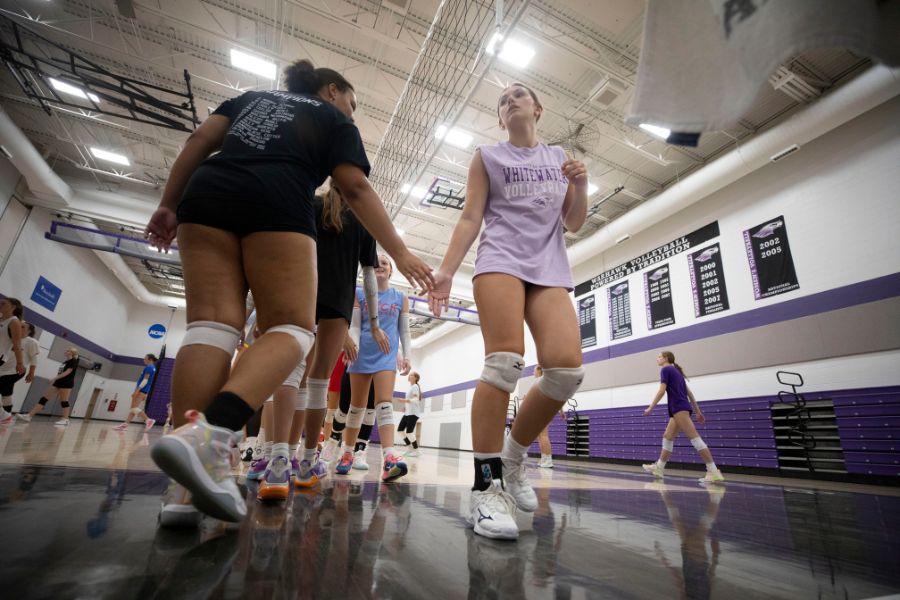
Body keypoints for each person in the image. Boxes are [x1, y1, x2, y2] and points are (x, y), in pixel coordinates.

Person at [144, 58, 433, 524]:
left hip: (207, 191)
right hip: (276, 198)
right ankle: (210, 435)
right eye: (353, 104)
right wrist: (399, 253)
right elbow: (355, 186)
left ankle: (182, 491)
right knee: (294, 330)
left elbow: (199, 141)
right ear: (333, 91)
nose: (352, 114)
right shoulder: (332, 119)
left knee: (211, 326)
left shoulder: (247, 99)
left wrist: (167, 203)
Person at [428, 83, 588, 540]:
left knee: (566, 372)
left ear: (538, 107)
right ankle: (485, 490)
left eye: (519, 94)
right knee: (504, 362)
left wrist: (581, 182)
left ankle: (513, 457)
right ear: (501, 119)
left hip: (549, 267)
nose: (510, 100)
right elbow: (469, 217)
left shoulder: (559, 157)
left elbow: (573, 222)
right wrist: (445, 270)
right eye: (503, 100)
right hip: (500, 261)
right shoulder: (487, 156)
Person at [275, 183, 385, 497]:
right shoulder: (365, 219)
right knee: (319, 382)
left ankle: (278, 457)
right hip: (338, 301)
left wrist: (267, 303)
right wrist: (374, 323)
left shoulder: (309, 203)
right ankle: (309, 462)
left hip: (301, 293)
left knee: (293, 376)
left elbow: (286, 253)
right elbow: (369, 279)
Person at [335, 255, 411, 481]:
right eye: (376, 263)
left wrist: (407, 355)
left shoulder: (400, 297)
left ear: (390, 272)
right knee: (356, 407)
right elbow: (356, 326)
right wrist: (353, 347)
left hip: (386, 354)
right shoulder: (359, 294)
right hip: (362, 352)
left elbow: (404, 331)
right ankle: (347, 453)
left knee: (384, 403)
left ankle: (389, 457)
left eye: (386, 263)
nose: (380, 265)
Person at [642, 351, 725, 484]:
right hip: (681, 408)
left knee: (695, 439)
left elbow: (662, 391)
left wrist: (651, 407)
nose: (657, 359)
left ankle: (713, 471)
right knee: (668, 436)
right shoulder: (676, 372)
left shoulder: (665, 370)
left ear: (666, 358)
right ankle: (659, 467)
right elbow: (689, 393)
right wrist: (697, 411)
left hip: (678, 408)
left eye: (659, 357)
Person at [19, 348, 80, 426]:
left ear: (72, 353)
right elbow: (61, 372)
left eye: (68, 351)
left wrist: (54, 378)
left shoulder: (73, 361)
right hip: (58, 382)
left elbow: (67, 372)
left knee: (64, 401)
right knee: (44, 398)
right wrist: (56, 380)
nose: (66, 351)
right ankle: (29, 416)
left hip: (66, 383)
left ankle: (66, 419)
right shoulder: (65, 362)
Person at [533, 366, 567, 469]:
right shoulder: (539, 382)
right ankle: (544, 458)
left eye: (534, 370)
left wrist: (561, 411)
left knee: (543, 435)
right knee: (540, 436)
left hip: (544, 410)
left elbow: (557, 396)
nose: (532, 372)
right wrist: (561, 411)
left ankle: (548, 460)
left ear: (539, 370)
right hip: (539, 410)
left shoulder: (543, 381)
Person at [114, 354, 158, 431]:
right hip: (144, 390)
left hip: (141, 390)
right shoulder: (153, 367)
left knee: (134, 408)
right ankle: (125, 425)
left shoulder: (149, 367)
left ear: (150, 359)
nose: (144, 360)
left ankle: (148, 420)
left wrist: (137, 390)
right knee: (133, 409)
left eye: (145, 358)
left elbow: (145, 380)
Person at [0, 297, 25, 423]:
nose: (1, 304)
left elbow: (17, 344)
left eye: (4, 303)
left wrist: (20, 363)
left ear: (13, 307)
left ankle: (4, 415)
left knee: (6, 392)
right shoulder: (1, 319)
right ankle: (3, 415)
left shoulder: (14, 322)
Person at [398, 372, 422, 457]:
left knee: (409, 432)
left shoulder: (415, 386)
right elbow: (409, 399)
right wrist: (405, 406)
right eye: (410, 375)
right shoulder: (410, 387)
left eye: (411, 375)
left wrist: (405, 401)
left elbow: (416, 398)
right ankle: (409, 448)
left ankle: (416, 450)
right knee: (400, 430)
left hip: (413, 413)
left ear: (415, 378)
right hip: (407, 413)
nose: (409, 376)